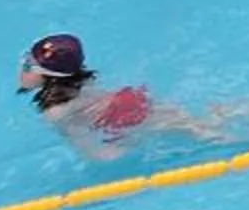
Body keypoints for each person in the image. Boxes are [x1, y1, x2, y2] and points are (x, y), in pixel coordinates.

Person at [17, 34, 230, 161]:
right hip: (132, 100)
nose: (23, 69)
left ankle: (247, 147)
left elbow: (97, 154)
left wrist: (128, 147)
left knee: (202, 132)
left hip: (126, 118)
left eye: (29, 65)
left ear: (51, 77)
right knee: (198, 121)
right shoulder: (81, 80)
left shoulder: (55, 112)